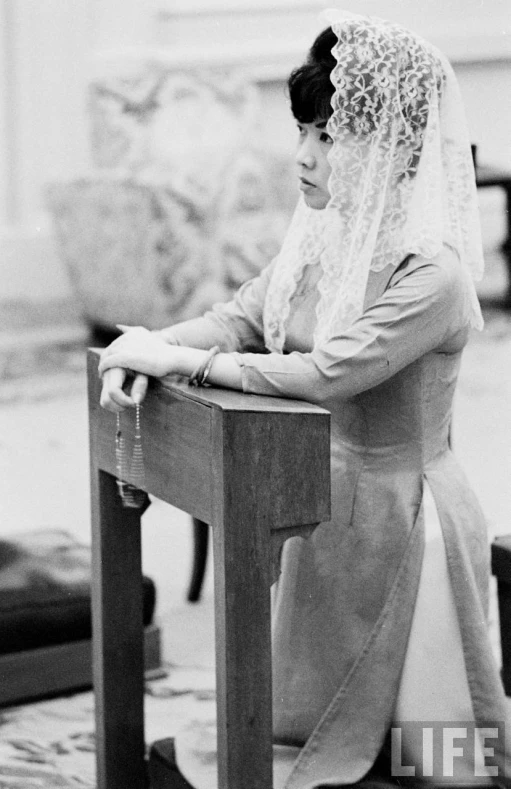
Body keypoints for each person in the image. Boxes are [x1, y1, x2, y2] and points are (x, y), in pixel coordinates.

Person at [98, 10, 511, 788]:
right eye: (304, 132)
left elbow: (327, 371)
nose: (304, 155)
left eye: (329, 135)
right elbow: (246, 316)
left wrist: (182, 357)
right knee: (299, 730)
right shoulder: (330, 238)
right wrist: (148, 347)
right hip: (319, 503)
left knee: (433, 762)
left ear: (395, 150)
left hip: (404, 518)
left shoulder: (433, 275)